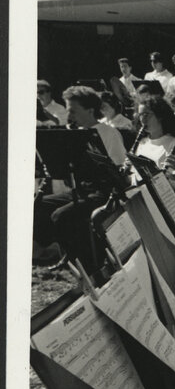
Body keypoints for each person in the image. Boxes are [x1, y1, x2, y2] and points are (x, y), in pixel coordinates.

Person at [32, 86, 128, 272]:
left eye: (73, 111)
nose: (70, 116)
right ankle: (67, 251)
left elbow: (117, 171)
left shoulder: (109, 133)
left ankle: (86, 263)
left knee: (62, 215)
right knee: (40, 205)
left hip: (105, 193)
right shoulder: (72, 133)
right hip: (83, 190)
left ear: (90, 110)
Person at [132, 94, 175, 170]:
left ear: (159, 115)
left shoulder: (174, 144)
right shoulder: (141, 143)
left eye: (146, 114)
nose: (142, 120)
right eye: (140, 115)